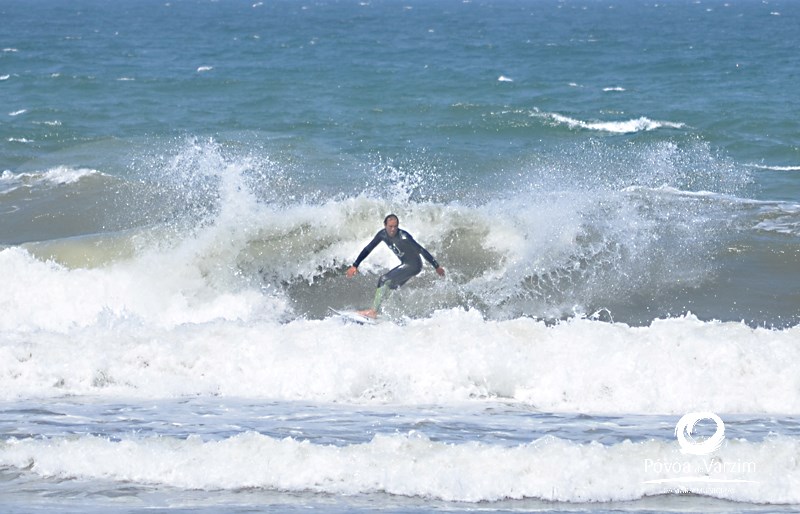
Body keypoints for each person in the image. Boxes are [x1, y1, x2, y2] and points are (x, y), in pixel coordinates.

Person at [346, 214, 445, 318]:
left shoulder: (404, 236)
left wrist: (436, 266)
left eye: (395, 226)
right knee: (390, 286)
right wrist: (355, 265)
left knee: (383, 279)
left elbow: (421, 250)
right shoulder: (382, 235)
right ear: (385, 225)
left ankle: (373, 311)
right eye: (390, 226)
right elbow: (368, 249)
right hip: (406, 264)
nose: (393, 229)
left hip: (414, 265)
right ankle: (384, 312)